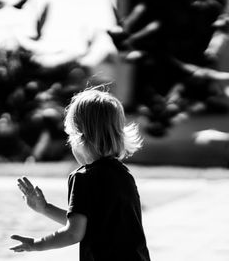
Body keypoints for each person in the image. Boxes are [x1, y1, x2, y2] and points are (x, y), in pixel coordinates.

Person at [10, 87, 151, 261]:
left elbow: (73, 233)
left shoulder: (83, 177)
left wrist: (36, 244)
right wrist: (45, 208)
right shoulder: (123, 174)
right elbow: (89, 224)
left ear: (79, 136)